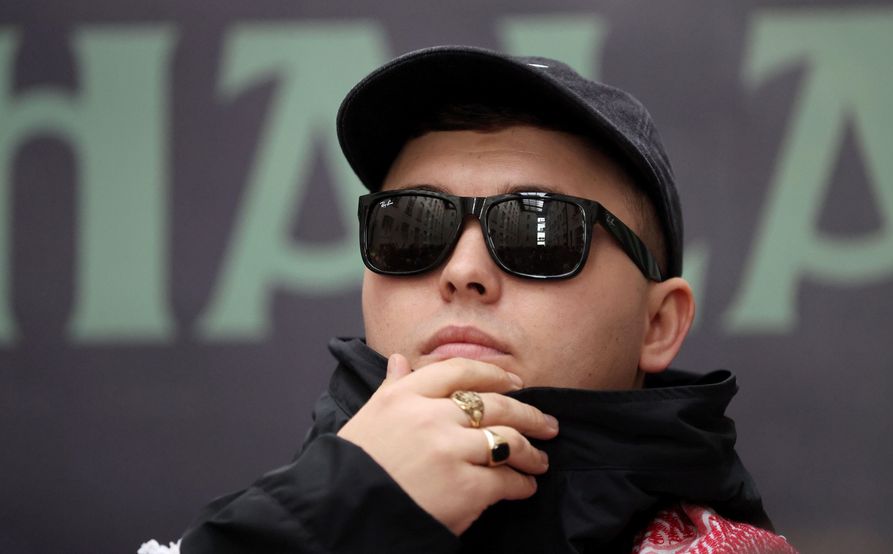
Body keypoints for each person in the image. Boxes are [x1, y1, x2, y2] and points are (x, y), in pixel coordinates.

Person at [179, 45, 796, 553]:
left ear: (657, 324)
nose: (463, 270)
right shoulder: (257, 522)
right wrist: (340, 507)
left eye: (538, 228)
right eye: (413, 224)